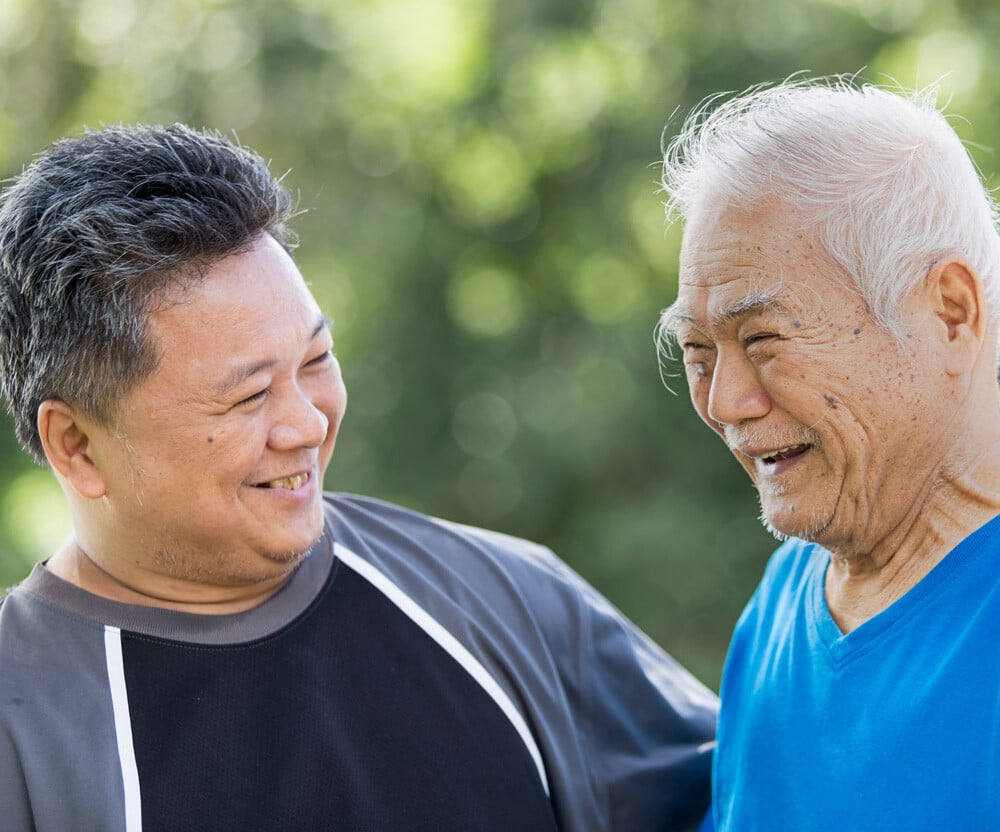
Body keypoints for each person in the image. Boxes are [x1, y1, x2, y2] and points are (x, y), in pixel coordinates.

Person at [0, 123, 716, 832]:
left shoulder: (502, 603)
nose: (307, 423)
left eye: (316, 361)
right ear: (77, 447)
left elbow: (763, 793)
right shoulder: (22, 731)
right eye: (249, 397)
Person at [658, 76, 1000, 830]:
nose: (724, 403)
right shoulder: (784, 599)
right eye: (698, 351)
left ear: (950, 314)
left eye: (764, 339)